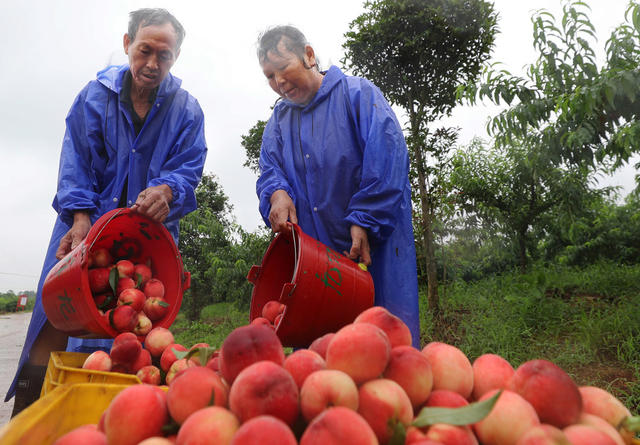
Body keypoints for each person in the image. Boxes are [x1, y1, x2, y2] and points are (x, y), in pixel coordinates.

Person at [6, 8, 207, 416]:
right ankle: (26, 421)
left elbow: (188, 169)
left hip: (148, 242)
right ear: (127, 44)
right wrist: (79, 216)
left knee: (134, 333)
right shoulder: (94, 96)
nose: (152, 64)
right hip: (84, 230)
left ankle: (120, 420)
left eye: (164, 55)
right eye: (145, 50)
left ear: (177, 57)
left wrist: (168, 189)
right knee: (56, 318)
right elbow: (75, 160)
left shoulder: (186, 110)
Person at [255, 26, 420, 348]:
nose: (279, 83)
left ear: (309, 55)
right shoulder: (279, 122)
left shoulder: (358, 95)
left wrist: (365, 219)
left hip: (374, 248)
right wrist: (277, 194)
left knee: (385, 350)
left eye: (283, 68)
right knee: (325, 356)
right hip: (317, 265)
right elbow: (270, 171)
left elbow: (387, 160)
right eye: (270, 76)